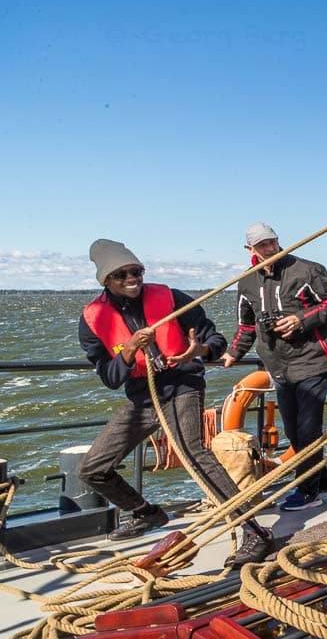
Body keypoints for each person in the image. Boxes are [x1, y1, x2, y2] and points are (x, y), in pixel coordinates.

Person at [78, 239, 273, 566]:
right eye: (122, 274)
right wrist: (128, 351)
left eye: (137, 271)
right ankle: (146, 512)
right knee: (92, 469)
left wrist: (201, 352)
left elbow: (215, 339)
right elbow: (110, 378)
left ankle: (254, 531)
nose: (132, 278)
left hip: (183, 383)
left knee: (193, 450)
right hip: (143, 397)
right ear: (106, 281)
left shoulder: (171, 297)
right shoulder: (91, 319)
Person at [222, 223, 327, 511]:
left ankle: (307, 492)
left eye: (273, 242)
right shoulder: (247, 282)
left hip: (312, 359)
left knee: (308, 429)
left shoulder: (307, 269)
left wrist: (300, 320)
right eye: (263, 245)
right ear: (249, 250)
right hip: (277, 364)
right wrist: (232, 353)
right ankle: (323, 483)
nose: (270, 248)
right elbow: (246, 324)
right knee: (293, 430)